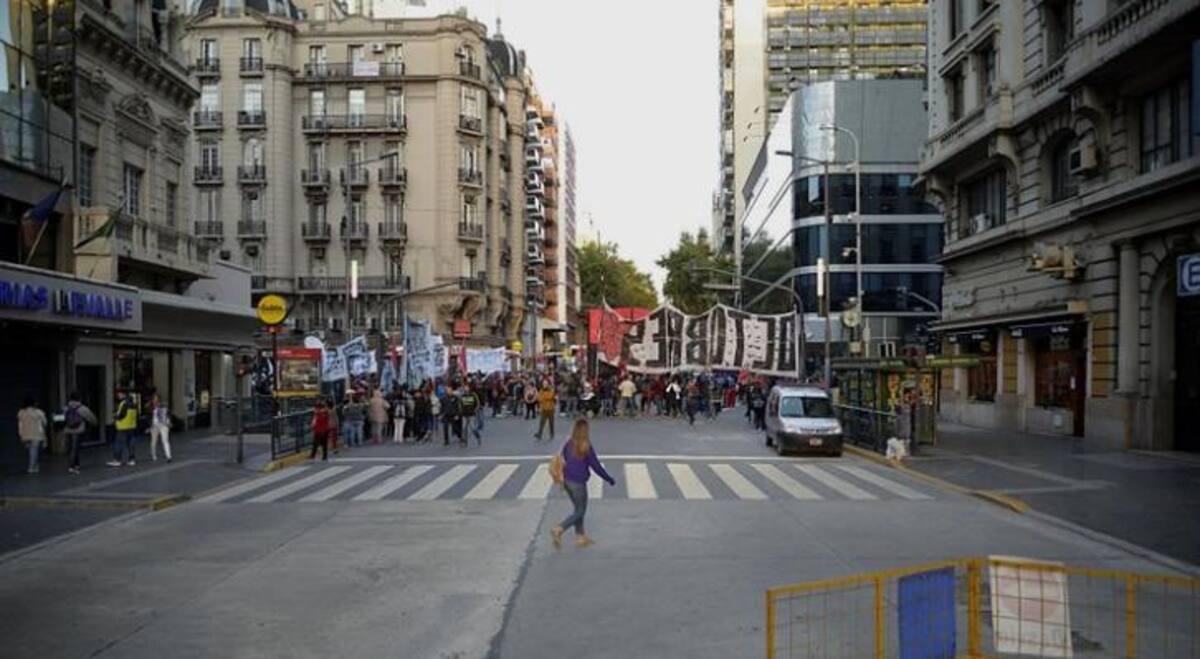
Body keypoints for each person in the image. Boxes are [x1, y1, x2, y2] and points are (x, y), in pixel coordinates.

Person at [551, 419, 615, 549]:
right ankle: (559, 528)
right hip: (578, 482)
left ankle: (580, 537)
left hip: (567, 481)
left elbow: (563, 460)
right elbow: (596, 466)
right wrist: (609, 479)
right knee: (580, 511)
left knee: (577, 509)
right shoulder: (586, 446)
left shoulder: (568, 444)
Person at [62, 392, 97, 475]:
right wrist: (94, 423)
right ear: (79, 399)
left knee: (71, 448)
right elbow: (91, 418)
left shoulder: (65, 408)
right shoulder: (82, 408)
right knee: (75, 448)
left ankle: (76, 464)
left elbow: (60, 419)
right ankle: (72, 466)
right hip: (78, 430)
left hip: (67, 430)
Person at [18, 397, 48, 475]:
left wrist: (21, 434)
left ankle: (34, 466)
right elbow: (44, 423)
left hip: (25, 435)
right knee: (34, 451)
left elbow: (20, 425)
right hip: (36, 434)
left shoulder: (21, 412)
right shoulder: (38, 412)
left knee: (30, 451)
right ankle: (32, 467)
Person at [108, 392, 139, 467]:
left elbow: (121, 415)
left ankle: (117, 460)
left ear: (124, 395)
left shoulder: (123, 404)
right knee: (130, 444)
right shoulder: (134, 404)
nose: (118, 396)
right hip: (132, 427)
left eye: (120, 394)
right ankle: (132, 460)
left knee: (119, 443)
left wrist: (115, 416)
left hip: (123, 427)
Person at [149, 391, 172, 462]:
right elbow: (149, 416)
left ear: (159, 399)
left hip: (163, 425)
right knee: (153, 442)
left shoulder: (163, 406)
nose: (155, 400)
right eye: (154, 399)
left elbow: (168, 414)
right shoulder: (151, 407)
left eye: (156, 399)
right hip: (154, 426)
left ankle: (168, 456)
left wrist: (168, 422)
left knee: (165, 440)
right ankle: (153, 455)